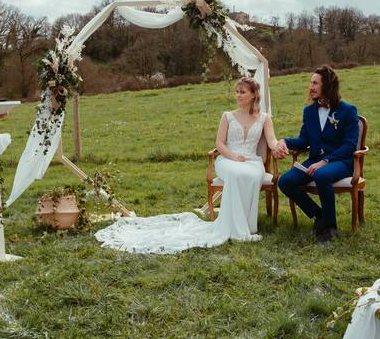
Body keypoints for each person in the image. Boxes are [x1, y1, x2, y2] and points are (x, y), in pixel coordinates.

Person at [95, 77, 279, 254]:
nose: (238, 95)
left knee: (248, 175)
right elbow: (220, 144)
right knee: (237, 174)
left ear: (254, 95)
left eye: (242, 92)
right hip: (228, 159)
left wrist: (280, 146)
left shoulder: (264, 118)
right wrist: (233, 156)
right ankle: (236, 227)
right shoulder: (228, 116)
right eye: (236, 92)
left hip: (252, 161)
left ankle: (245, 225)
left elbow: (271, 141)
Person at [275, 65, 360, 243]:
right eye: (310, 83)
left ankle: (330, 228)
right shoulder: (309, 111)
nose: (311, 87)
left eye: (315, 83)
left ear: (327, 85)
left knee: (321, 175)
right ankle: (320, 215)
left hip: (341, 161)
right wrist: (284, 142)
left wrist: (326, 161)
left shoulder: (348, 110)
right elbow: (303, 140)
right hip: (315, 159)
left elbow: (350, 145)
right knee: (285, 181)